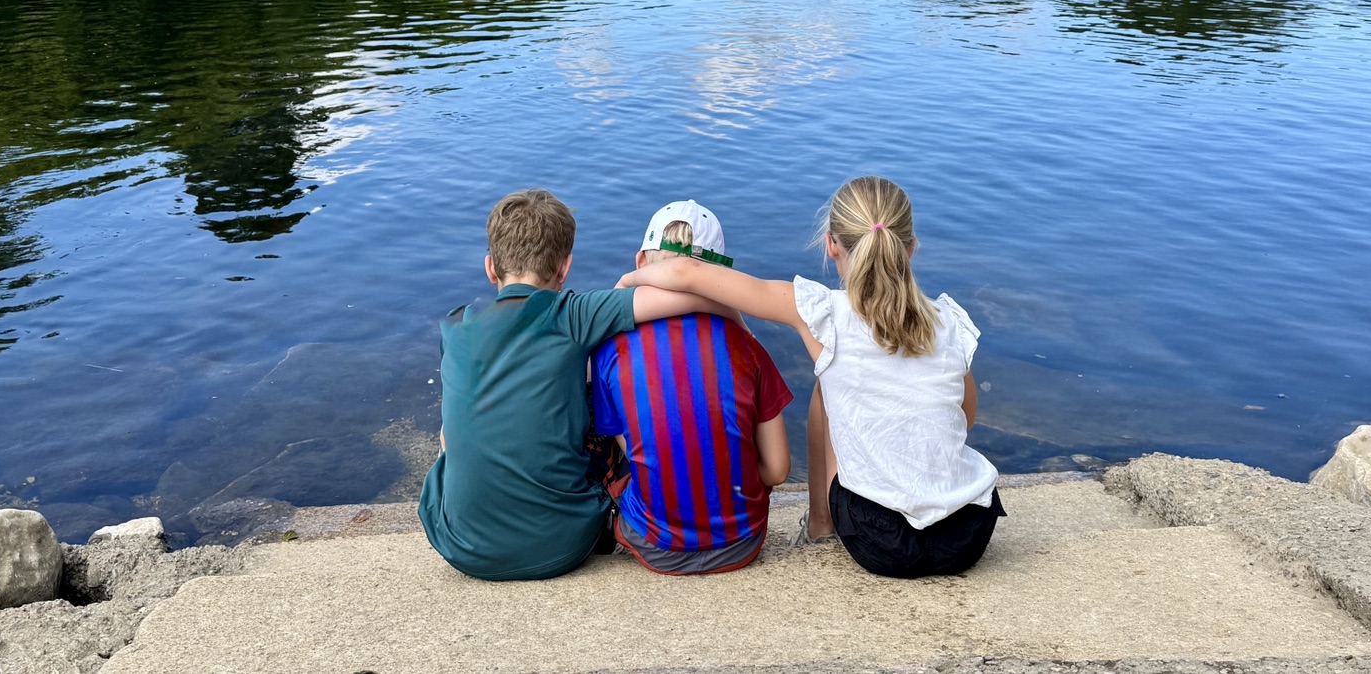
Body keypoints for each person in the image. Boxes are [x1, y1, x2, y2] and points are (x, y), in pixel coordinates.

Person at [618, 175, 1001, 578]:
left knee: (827, 382)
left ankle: (821, 525)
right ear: (910, 247)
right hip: (968, 535)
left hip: (881, 541)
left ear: (831, 244)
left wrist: (627, 285)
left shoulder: (824, 314)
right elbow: (964, 417)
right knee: (837, 377)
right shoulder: (950, 321)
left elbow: (686, 273)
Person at [417, 188, 733, 581]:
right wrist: (729, 313)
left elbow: (451, 436)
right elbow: (692, 296)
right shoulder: (574, 313)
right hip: (564, 544)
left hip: (462, 547)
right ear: (565, 268)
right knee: (598, 388)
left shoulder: (454, 325)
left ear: (490, 268)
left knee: (455, 431)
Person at [590, 200, 793, 575]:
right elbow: (778, 470)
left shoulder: (610, 350)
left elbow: (635, 449)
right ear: (719, 277)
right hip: (741, 542)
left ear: (640, 261)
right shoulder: (748, 347)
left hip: (656, 545)